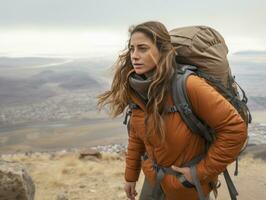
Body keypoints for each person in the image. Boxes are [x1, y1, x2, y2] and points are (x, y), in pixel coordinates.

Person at [97, 21, 247, 200]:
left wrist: (199, 173)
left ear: (162, 51)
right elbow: (137, 135)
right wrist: (131, 176)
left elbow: (235, 129)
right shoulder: (138, 89)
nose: (134, 56)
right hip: (153, 181)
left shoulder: (188, 85)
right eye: (132, 49)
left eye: (143, 48)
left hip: (186, 187)